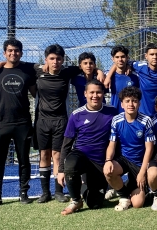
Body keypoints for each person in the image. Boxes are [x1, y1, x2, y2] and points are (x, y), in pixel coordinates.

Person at [0, 38, 36, 208]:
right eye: (10, 51)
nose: (13, 53)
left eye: (17, 51)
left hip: (23, 124)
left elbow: (36, 94)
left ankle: (23, 193)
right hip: (0, 125)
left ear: (21, 52)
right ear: (4, 52)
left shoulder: (28, 70)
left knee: (24, 161)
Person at [57, 79, 118, 215]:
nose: (95, 96)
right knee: (71, 165)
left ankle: (85, 185)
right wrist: (61, 170)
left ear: (103, 93)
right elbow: (66, 144)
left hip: (100, 162)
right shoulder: (76, 114)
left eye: (98, 92)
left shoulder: (112, 112)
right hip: (81, 155)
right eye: (91, 92)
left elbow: (118, 138)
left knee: (95, 204)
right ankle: (76, 200)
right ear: (85, 93)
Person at [33, 44, 83, 203]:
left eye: (59, 58)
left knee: (57, 155)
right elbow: (17, 65)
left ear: (63, 59)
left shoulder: (67, 72)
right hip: (42, 121)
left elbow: (86, 66)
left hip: (61, 121)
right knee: (44, 155)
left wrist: (102, 73)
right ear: (46, 59)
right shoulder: (37, 70)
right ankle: (45, 192)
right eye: (52, 58)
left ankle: (58, 191)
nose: (56, 61)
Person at [103, 86, 155, 211]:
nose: (131, 104)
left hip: (139, 163)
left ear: (139, 103)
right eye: (127, 101)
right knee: (108, 170)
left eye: (134, 101)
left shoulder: (146, 121)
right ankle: (123, 196)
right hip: (124, 160)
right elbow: (112, 144)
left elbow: (149, 149)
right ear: (122, 104)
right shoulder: (116, 120)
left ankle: (136, 188)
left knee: (137, 203)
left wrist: (142, 172)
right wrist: (108, 160)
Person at [108, 46, 140, 113]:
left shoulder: (136, 76)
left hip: (131, 114)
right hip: (114, 114)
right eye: (117, 57)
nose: (120, 59)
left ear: (127, 58)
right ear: (112, 59)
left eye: (122, 57)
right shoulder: (108, 76)